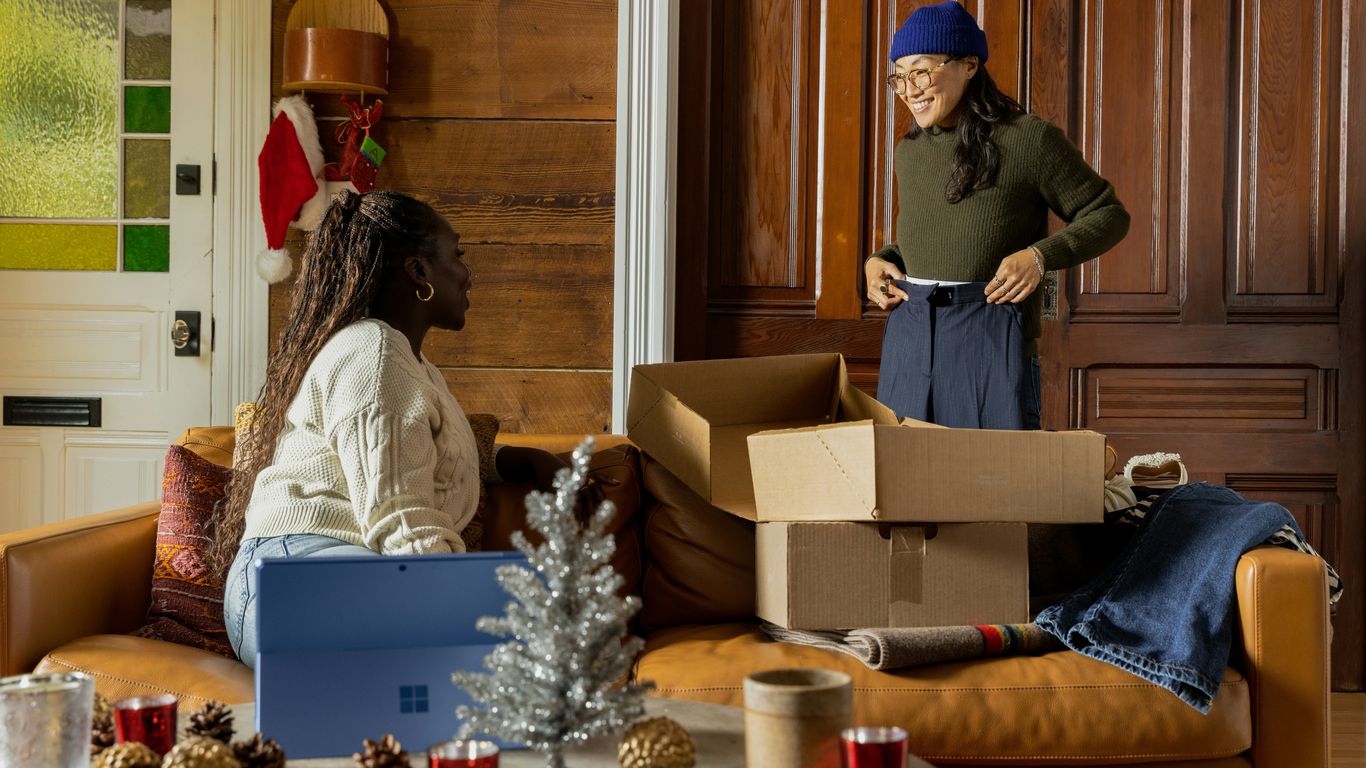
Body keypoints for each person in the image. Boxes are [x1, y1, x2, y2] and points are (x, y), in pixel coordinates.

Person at [210, 190, 566, 667]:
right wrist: (462, 607)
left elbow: (429, 452)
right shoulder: (375, 356)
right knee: (516, 641)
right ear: (419, 272)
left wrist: (521, 460)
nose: (467, 273)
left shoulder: (408, 364)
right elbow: (400, 517)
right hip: (293, 576)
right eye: (456, 255)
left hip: (320, 576)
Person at [865, 1, 1129, 430]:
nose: (909, 89)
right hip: (908, 337)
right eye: (900, 76)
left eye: (921, 70)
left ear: (969, 65)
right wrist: (878, 259)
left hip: (988, 334)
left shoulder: (1029, 140)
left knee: (994, 489)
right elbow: (934, 235)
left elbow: (1108, 214)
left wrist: (1040, 256)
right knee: (902, 485)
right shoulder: (909, 152)